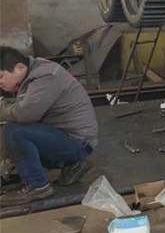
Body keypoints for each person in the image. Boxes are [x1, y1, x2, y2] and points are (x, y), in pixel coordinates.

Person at [0, 46, 98, 205]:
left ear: (20, 68)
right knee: (11, 135)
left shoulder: (46, 76)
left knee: (14, 132)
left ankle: (38, 186)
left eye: (1, 76)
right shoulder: (33, 72)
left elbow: (25, 114)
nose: (0, 82)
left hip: (77, 142)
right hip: (66, 136)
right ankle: (72, 165)